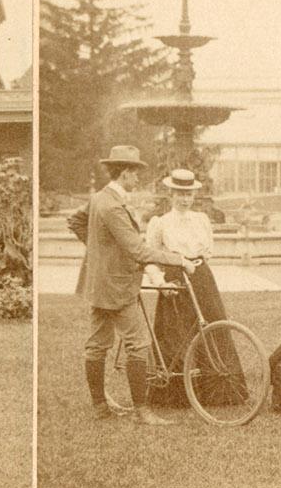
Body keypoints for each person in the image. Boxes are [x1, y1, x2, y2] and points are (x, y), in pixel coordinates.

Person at [77, 146, 188, 426]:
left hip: (100, 283)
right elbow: (138, 250)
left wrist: (100, 252)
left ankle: (100, 406)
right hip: (117, 287)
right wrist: (179, 260)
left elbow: (75, 221)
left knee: (97, 345)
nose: (137, 180)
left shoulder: (99, 197)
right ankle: (142, 411)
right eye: (136, 174)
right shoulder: (112, 206)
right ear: (125, 173)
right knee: (138, 345)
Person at [141, 168, 247, 407]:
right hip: (175, 279)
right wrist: (160, 283)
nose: (184, 199)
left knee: (213, 326)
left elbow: (206, 252)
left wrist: (199, 270)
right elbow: (149, 257)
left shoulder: (201, 219)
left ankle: (219, 392)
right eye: (179, 193)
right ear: (170, 193)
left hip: (201, 278)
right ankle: (177, 396)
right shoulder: (161, 223)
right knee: (177, 334)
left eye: (188, 193)